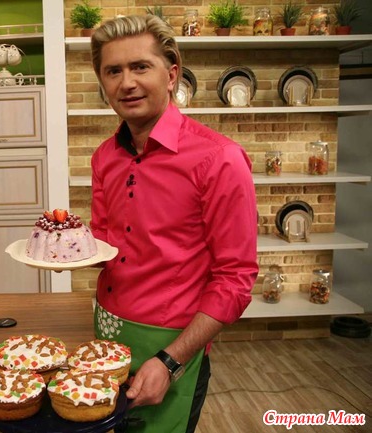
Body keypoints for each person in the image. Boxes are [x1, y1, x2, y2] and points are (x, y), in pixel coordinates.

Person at [89, 15, 259, 433]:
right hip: (106, 336)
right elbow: (105, 247)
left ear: (171, 75)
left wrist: (169, 361)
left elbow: (235, 280)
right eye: (113, 71)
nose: (126, 83)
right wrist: (64, 250)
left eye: (140, 67)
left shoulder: (219, 159)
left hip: (173, 349)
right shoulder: (104, 157)